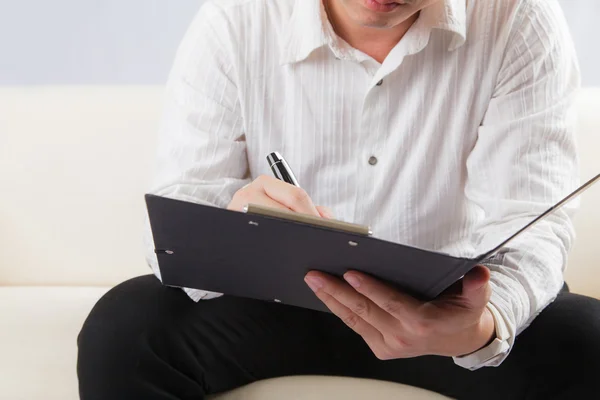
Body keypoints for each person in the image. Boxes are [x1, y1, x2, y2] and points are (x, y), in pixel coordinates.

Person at [77, 0, 600, 398]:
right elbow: (182, 201)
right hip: (271, 301)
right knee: (125, 328)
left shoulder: (518, 17)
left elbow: (532, 221)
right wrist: (233, 222)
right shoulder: (238, 17)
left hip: (442, 311)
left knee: (586, 340)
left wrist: (480, 328)